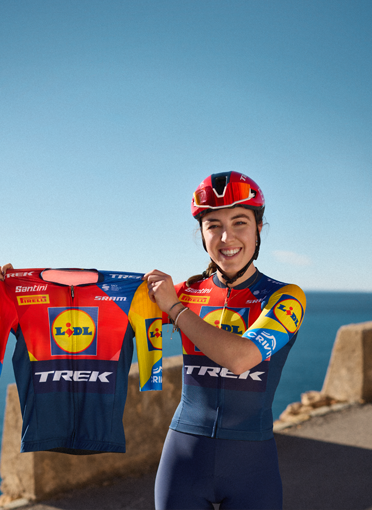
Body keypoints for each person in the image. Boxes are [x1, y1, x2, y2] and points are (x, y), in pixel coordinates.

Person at [145, 171, 306, 510]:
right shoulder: (185, 293)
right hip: (183, 457)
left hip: (252, 465)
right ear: (202, 234)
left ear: (259, 229)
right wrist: (28, 290)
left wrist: (174, 309)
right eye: (213, 225)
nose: (225, 236)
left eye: (239, 223)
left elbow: (241, 358)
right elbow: (103, 313)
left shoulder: (285, 297)